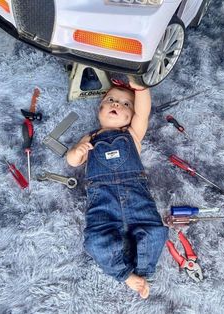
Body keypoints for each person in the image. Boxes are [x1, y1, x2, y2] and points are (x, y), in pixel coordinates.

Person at [66, 78, 168, 299]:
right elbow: (73, 161)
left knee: (155, 232)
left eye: (126, 104)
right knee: (95, 241)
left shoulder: (132, 134)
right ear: (100, 108)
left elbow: (143, 112)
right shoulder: (90, 138)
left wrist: (140, 87)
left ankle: (143, 272)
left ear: (131, 116)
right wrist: (77, 150)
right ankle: (125, 274)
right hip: (102, 200)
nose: (117, 104)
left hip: (136, 195)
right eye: (111, 100)